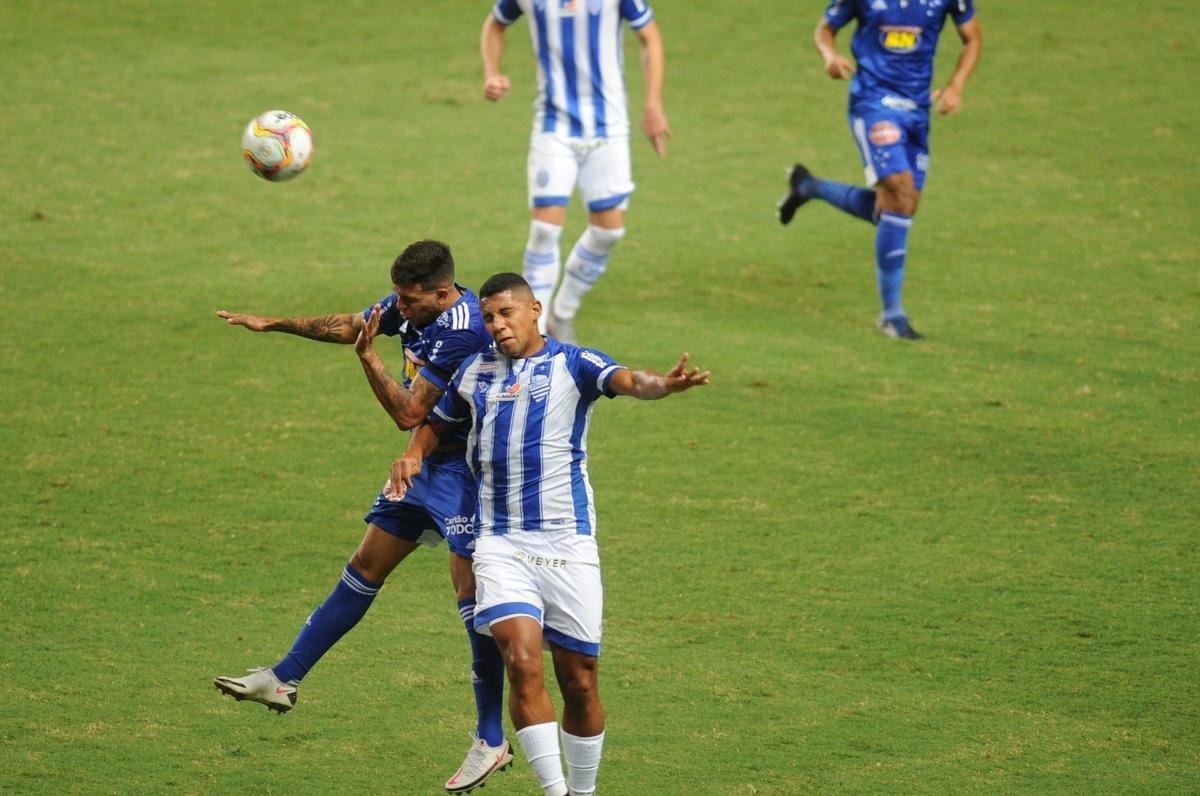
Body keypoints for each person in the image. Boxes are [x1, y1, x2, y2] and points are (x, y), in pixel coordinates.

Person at [387, 273, 708, 796]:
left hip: (566, 540)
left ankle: (582, 791)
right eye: (489, 317)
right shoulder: (475, 370)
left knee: (580, 681)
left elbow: (628, 380)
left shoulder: (574, 363)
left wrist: (663, 385)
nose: (497, 325)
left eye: (506, 313)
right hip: (500, 541)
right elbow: (436, 422)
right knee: (521, 658)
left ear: (535, 310)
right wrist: (413, 453)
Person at [211, 240, 514, 794]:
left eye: (409, 299)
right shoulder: (418, 306)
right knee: (366, 562)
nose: (399, 307)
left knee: (474, 603)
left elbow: (409, 412)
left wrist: (371, 359)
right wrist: (274, 323)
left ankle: (490, 739)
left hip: (471, 474)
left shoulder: (463, 332)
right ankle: (284, 678)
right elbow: (356, 323)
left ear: (442, 294)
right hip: (423, 467)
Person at [778, 0, 982, 340]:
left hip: (917, 110)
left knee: (898, 209)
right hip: (873, 104)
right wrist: (829, 55)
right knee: (900, 194)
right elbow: (825, 28)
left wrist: (956, 85)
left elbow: (972, 37)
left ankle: (809, 187)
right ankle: (892, 316)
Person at [481, 0, 671, 344]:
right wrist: (492, 71)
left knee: (608, 233)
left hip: (608, 130)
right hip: (554, 128)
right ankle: (533, 334)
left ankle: (561, 314)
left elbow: (650, 38)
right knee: (544, 229)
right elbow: (495, 24)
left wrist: (653, 104)